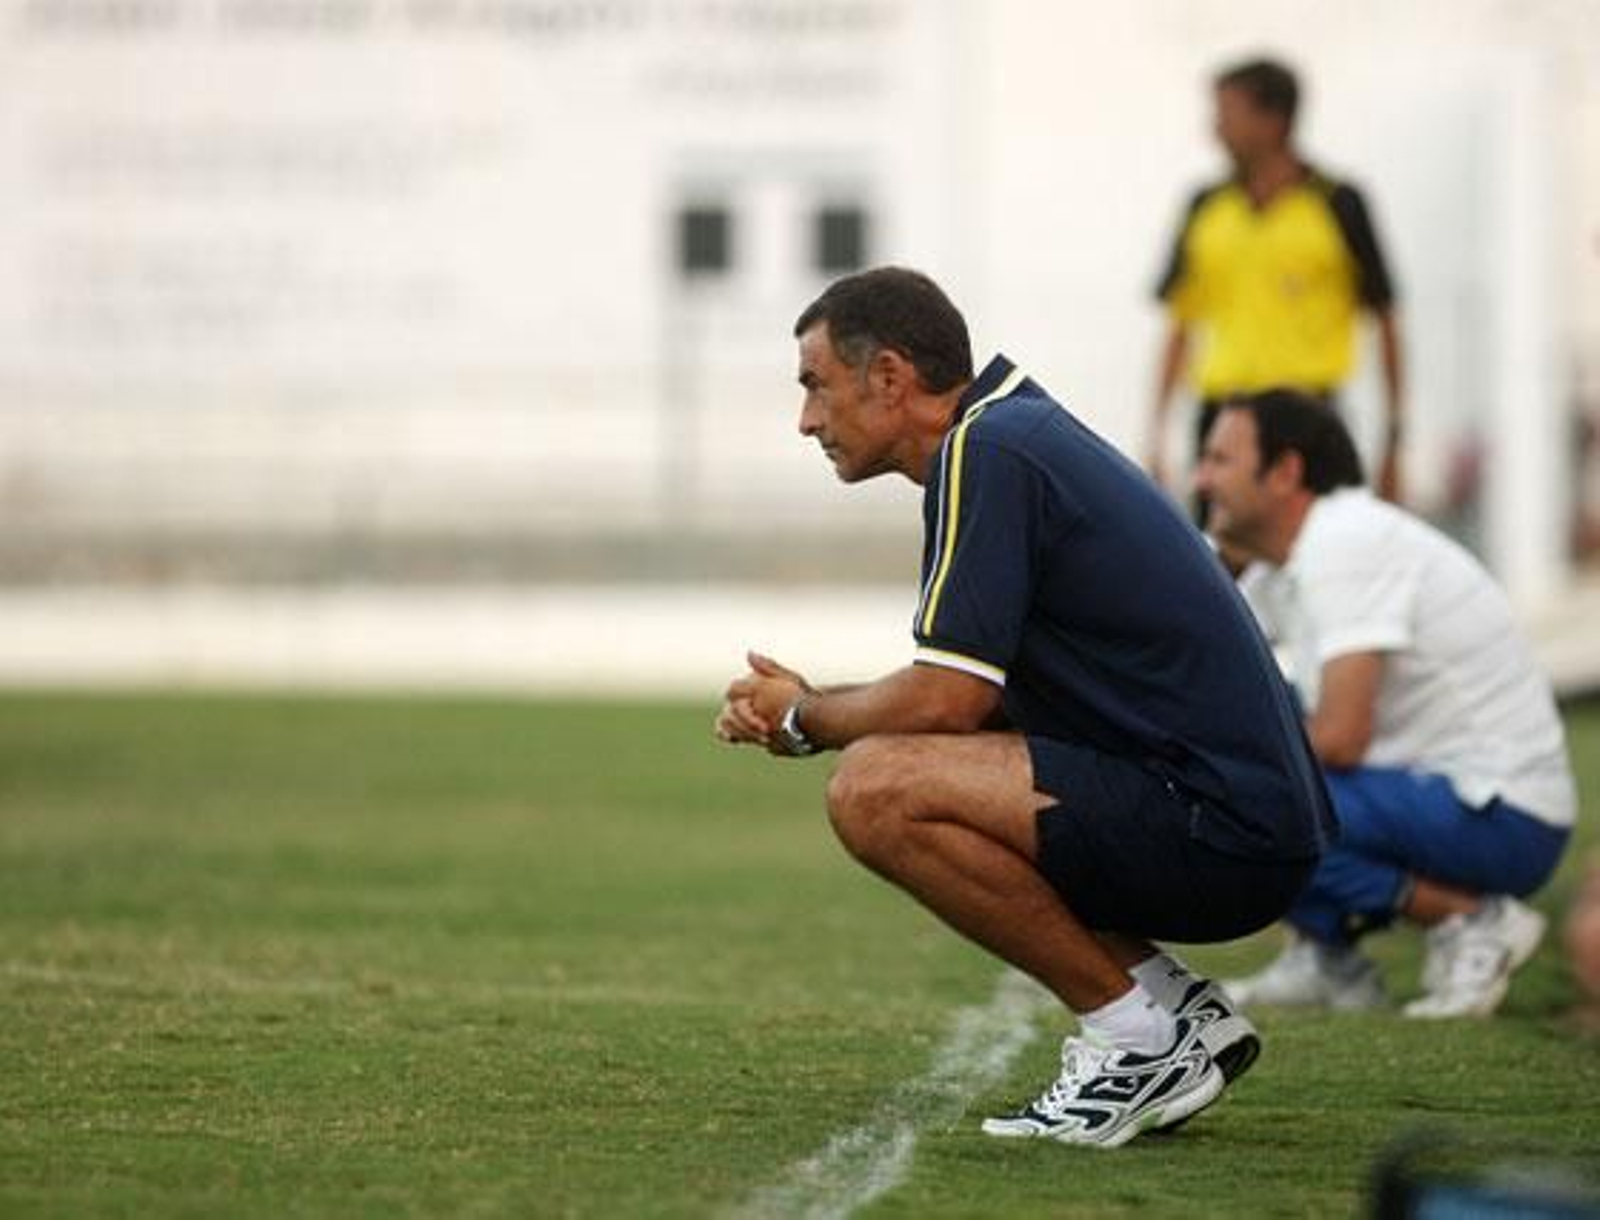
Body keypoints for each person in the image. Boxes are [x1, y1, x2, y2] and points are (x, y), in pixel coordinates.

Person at [714, 267, 1337, 1148]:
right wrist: (817, 708)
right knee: (909, 768)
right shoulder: (1010, 433)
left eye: (816, 386)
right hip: (1244, 820)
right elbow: (979, 702)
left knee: (875, 790)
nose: (806, 420)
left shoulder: (990, 449)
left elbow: (947, 696)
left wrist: (802, 719)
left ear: (889, 376)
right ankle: (1169, 1007)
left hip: (1224, 828)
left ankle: (1135, 1039)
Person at [1195, 390, 1577, 1017]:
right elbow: (1202, 668)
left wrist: (1211, 770)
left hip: (1509, 819)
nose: (1202, 478)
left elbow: (1342, 737)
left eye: (1220, 460)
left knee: (1249, 797)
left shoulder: (1345, 543)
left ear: (1286, 471)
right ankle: (1328, 958)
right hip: (1448, 794)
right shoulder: (1300, 553)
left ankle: (1473, 921)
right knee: (1235, 731)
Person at [1147, 56, 1406, 508]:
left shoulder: (1339, 204)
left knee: (1321, 561)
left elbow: (1385, 319)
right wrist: (1156, 434)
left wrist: (1395, 442)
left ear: (1273, 120)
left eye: (1228, 113)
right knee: (1218, 567)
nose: (1217, 128)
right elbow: (1180, 324)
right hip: (1221, 418)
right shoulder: (1204, 206)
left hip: (1309, 420)